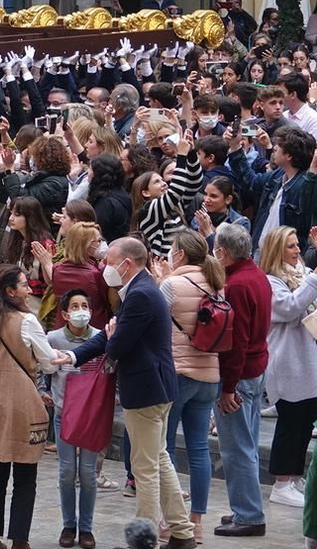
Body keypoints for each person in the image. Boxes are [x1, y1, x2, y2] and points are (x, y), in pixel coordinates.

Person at [66, 236, 196, 549]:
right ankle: (182, 531)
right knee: (158, 459)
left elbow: (117, 345)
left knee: (144, 468)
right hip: (157, 387)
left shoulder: (139, 294)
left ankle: (145, 538)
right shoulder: (139, 290)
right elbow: (113, 335)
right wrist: (72, 356)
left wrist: (111, 338)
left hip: (147, 390)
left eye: (109, 262)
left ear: (127, 264)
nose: (104, 267)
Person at [0, 264, 59, 549]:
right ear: (10, 291)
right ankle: (20, 540)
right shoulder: (25, 321)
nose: (29, 288)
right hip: (20, 404)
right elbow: (47, 361)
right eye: (23, 284)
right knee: (25, 474)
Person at [159, 230, 225, 543]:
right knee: (199, 449)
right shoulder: (216, 285)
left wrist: (162, 279)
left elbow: (155, 323)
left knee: (166, 448)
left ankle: (170, 522)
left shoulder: (171, 284)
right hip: (209, 375)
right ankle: (196, 521)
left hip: (178, 373)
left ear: (181, 254)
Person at [212, 219, 273, 538]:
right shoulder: (257, 275)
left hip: (242, 374)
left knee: (237, 448)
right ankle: (245, 508)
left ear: (222, 252)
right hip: (256, 368)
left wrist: (228, 387)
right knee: (243, 444)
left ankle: (249, 514)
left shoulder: (236, 285)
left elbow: (236, 341)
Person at [258, 224, 317, 510]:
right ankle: (281, 483)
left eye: (297, 245)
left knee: (304, 422)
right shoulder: (270, 281)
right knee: (290, 422)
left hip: (307, 358)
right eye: (290, 246)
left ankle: (293, 478)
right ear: (276, 250)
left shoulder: (303, 274)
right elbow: (291, 308)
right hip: (286, 361)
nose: (296, 251)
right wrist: (314, 280)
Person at [47, 290, 101, 549]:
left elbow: (110, 367)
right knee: (67, 471)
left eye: (85, 305)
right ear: (66, 313)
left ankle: (86, 528)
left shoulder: (101, 337)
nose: (81, 310)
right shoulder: (53, 338)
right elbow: (42, 368)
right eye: (75, 306)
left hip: (91, 416)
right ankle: (69, 524)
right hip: (63, 414)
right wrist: (42, 391)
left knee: (89, 473)